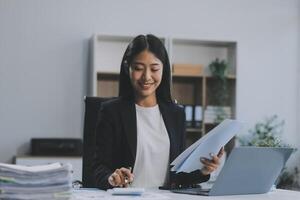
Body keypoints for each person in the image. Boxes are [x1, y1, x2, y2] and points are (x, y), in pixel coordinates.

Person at [92, 34, 224, 190]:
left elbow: (177, 176)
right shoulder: (111, 111)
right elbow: (97, 168)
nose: (147, 77)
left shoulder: (176, 114)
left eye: (154, 69)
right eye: (138, 68)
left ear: (163, 69)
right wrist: (112, 178)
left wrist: (204, 170)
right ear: (128, 68)